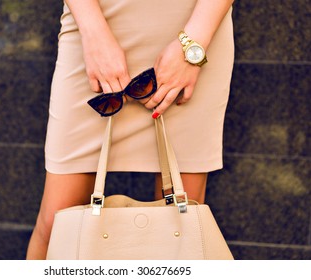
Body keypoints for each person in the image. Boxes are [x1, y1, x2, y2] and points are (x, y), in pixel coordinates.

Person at [27, 0, 234, 259]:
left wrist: (192, 45)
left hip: (196, 29)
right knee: (55, 229)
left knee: (184, 229)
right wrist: (94, 34)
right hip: (93, 23)